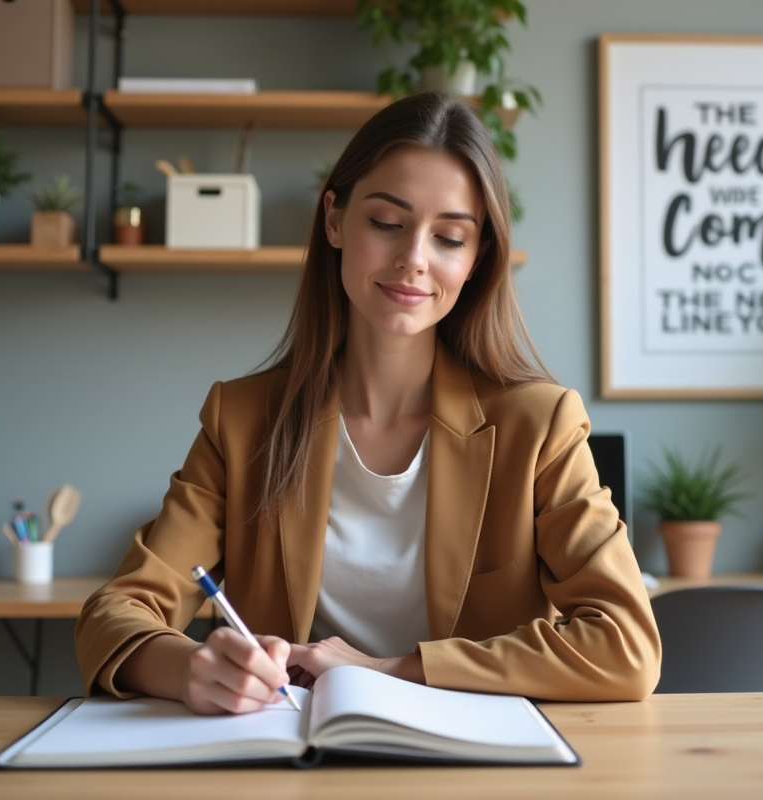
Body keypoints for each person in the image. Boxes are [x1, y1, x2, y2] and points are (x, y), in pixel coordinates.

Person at [75, 92, 661, 715]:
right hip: (289, 760)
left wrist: (386, 670)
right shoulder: (241, 420)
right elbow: (115, 613)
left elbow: (625, 646)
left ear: (476, 257)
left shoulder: (540, 426)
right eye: (386, 223)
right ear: (335, 220)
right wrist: (191, 666)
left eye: (450, 237)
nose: (413, 259)